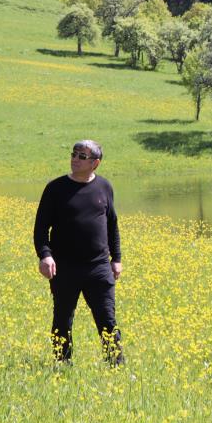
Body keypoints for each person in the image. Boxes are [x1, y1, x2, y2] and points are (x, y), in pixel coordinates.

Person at [33, 139, 124, 366]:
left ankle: (116, 365)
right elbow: (41, 227)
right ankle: (62, 365)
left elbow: (112, 225)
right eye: (74, 154)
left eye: (82, 156)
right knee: (62, 320)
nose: (75, 159)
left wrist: (117, 259)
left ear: (95, 163)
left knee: (107, 320)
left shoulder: (104, 187)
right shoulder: (55, 188)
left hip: (99, 267)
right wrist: (45, 255)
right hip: (65, 268)